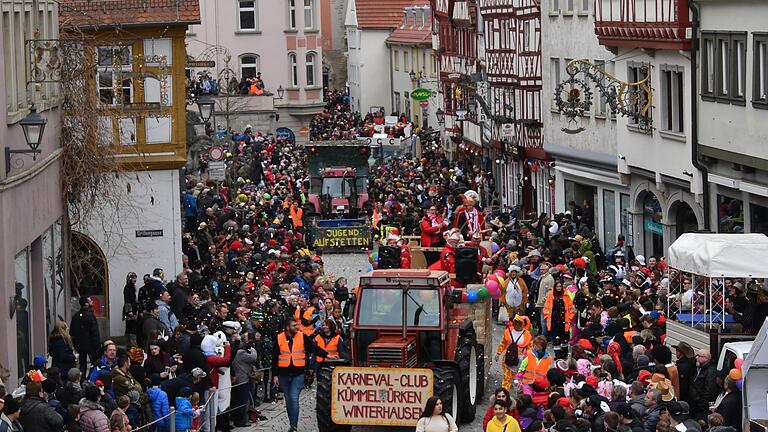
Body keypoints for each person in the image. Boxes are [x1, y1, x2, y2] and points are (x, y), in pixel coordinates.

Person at [272, 318, 329, 432]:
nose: (297, 327)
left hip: (298, 374)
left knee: (293, 398)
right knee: (288, 400)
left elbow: (314, 348)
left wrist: (327, 355)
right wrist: (275, 375)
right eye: (294, 325)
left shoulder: (302, 336)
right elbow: (274, 358)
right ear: (287, 327)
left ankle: (294, 426)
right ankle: (292, 423)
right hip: (283, 375)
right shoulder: (279, 338)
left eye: (297, 325)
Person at [496, 315, 532, 389]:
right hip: (508, 357)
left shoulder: (527, 334)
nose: (517, 325)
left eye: (519, 323)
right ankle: (505, 391)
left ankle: (513, 386)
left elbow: (529, 347)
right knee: (507, 376)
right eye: (515, 323)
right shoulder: (508, 331)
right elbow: (503, 343)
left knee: (516, 376)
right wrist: (498, 353)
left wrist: (529, 359)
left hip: (520, 359)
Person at [70, 296, 101, 374]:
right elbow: (95, 332)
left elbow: (72, 332)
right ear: (86, 304)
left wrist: (75, 344)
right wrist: (97, 346)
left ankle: (82, 379)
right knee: (94, 363)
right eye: (90, 301)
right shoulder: (91, 316)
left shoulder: (76, 316)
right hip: (91, 346)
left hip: (80, 346)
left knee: (82, 365)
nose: (92, 302)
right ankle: (92, 378)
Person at [689, 349, 719, 421]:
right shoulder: (700, 368)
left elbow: (709, 390)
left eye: (699, 356)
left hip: (701, 408)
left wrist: (700, 405)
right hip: (695, 405)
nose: (696, 358)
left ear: (705, 358)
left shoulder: (710, 372)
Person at [542, 281, 576, 345]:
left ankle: (564, 354)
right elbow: (546, 308)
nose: (559, 288)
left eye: (560, 286)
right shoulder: (551, 296)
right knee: (556, 341)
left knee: (564, 340)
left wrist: (569, 318)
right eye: (557, 286)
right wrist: (547, 316)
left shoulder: (566, 296)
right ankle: (557, 354)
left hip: (564, 321)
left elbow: (571, 308)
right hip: (554, 321)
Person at [123, 272, 139, 348]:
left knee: (130, 328)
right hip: (130, 312)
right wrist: (129, 311)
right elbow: (127, 299)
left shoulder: (131, 287)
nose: (134, 279)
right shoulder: (129, 287)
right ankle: (131, 345)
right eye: (133, 278)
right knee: (131, 328)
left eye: (135, 278)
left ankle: (130, 345)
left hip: (132, 310)